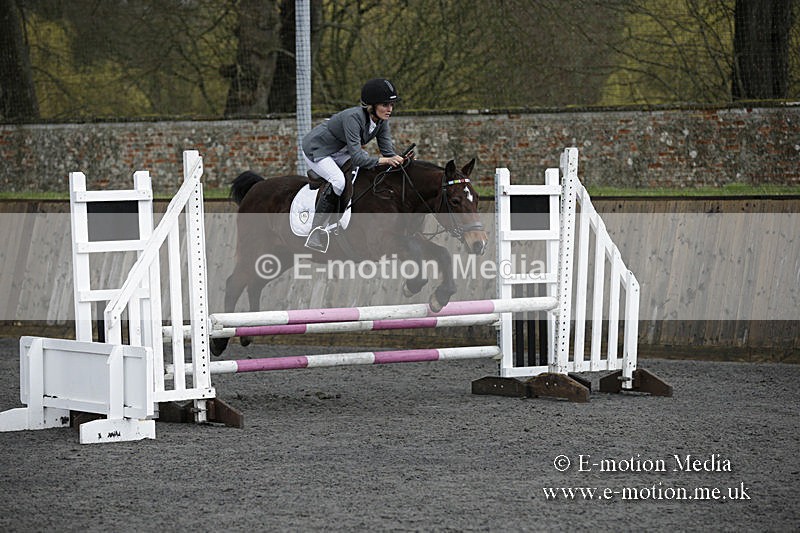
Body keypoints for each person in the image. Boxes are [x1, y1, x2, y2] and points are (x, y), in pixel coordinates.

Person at [301, 78, 408, 252]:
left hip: (340, 151)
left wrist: (401, 159)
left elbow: (388, 152)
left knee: (362, 175)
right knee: (338, 181)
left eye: (391, 104)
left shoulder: (381, 121)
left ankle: (342, 219)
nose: (390, 109)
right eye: (385, 105)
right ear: (371, 105)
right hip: (318, 150)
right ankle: (316, 231)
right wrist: (386, 160)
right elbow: (358, 158)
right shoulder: (353, 118)